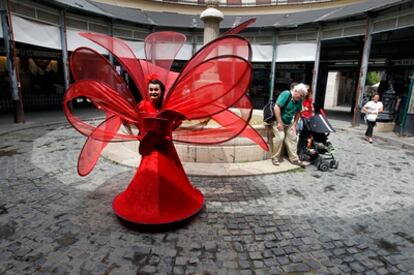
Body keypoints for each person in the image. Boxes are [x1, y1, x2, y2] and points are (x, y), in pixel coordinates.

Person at [271, 83, 308, 167]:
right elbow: (276, 107)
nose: (301, 98)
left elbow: (298, 112)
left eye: (303, 96)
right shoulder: (286, 94)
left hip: (288, 122)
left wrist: (294, 124)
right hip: (278, 121)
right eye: (300, 95)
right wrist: (279, 123)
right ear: (295, 91)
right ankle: (275, 158)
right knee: (280, 137)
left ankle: (294, 159)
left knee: (293, 137)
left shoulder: (299, 99)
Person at [297, 85, 313, 157]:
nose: (307, 92)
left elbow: (310, 109)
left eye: (308, 91)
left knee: (306, 135)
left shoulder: (309, 99)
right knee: (302, 135)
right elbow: (300, 109)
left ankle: (305, 149)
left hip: (308, 118)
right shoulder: (300, 98)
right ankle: (300, 150)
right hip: (302, 118)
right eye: (306, 90)